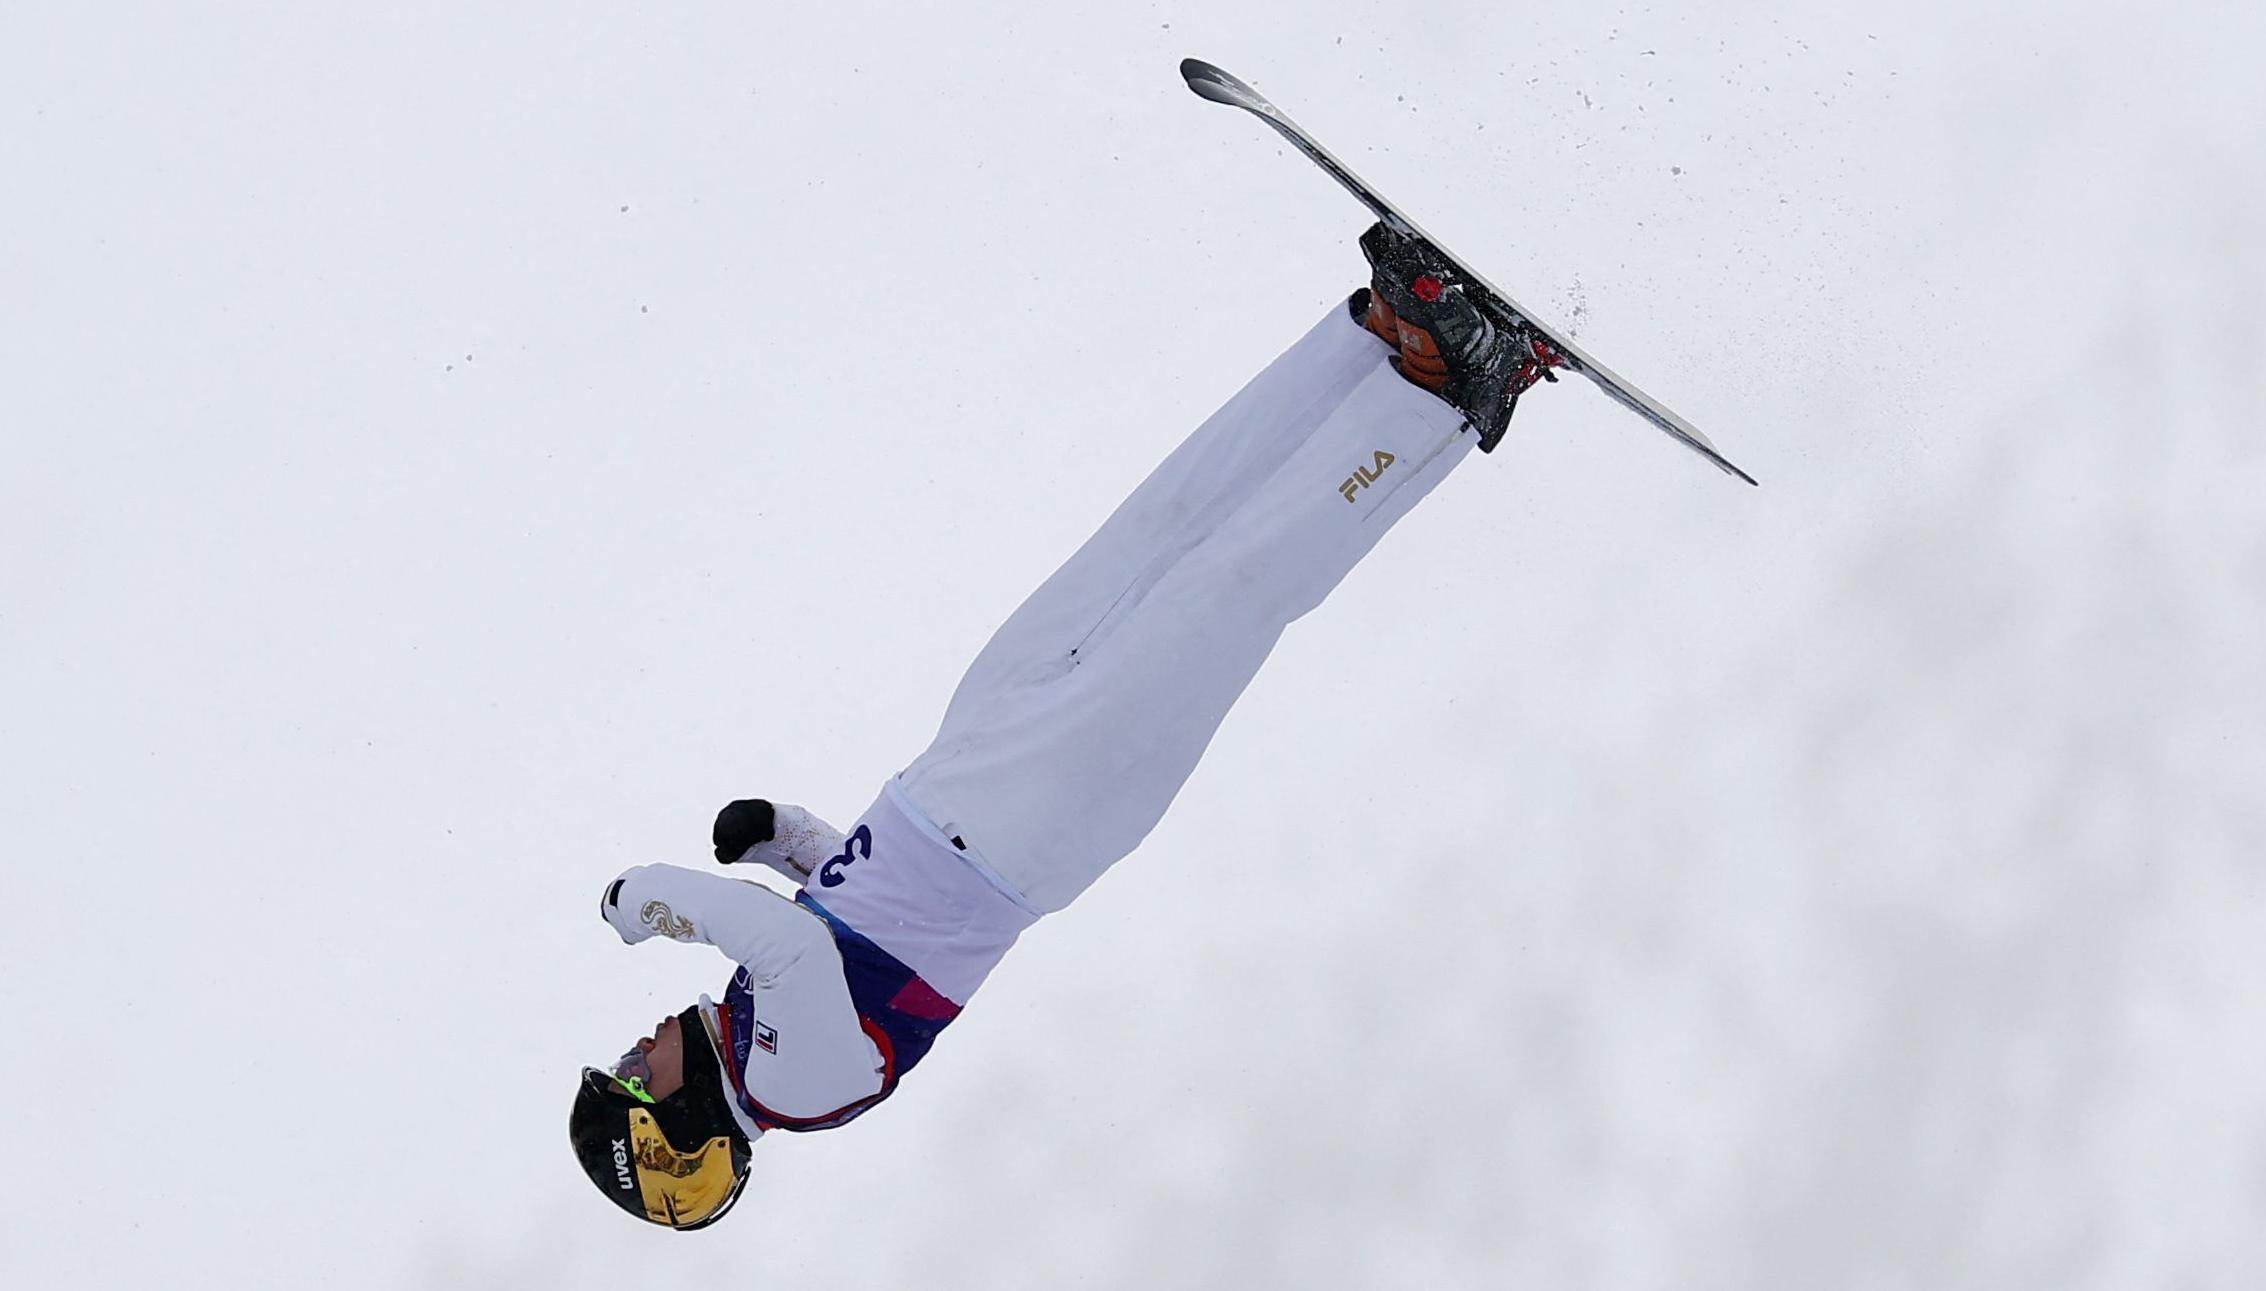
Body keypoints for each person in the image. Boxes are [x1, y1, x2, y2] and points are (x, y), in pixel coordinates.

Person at [569, 224, 1563, 1229]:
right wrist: (656, 902)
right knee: (1221, 591)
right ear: (679, 1127)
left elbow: (866, 919)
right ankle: (1447, 392)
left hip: (963, 768)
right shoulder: (796, 1087)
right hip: (1033, 824)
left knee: (1152, 533)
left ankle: (1374, 346)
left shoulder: (756, 1033)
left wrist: (785, 836)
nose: (636, 1047)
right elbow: (790, 941)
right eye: (632, 1077)